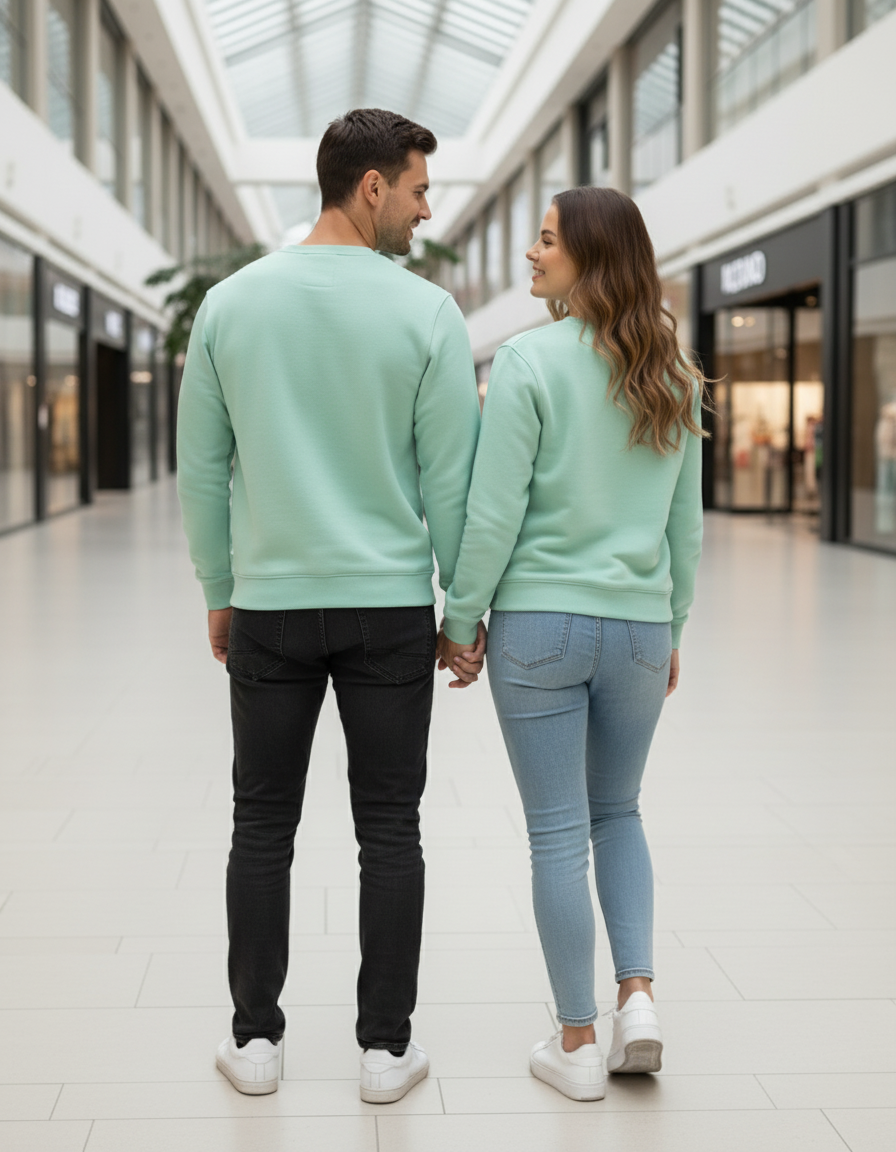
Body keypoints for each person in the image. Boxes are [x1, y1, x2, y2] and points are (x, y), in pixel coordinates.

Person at [177, 108, 485, 1105]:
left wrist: (220, 591)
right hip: (390, 607)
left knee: (261, 824)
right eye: (418, 188)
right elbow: (452, 486)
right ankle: (384, 1051)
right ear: (369, 188)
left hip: (269, 605)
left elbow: (202, 472)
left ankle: (254, 1042)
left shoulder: (230, 305)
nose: (424, 210)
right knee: (388, 825)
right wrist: (463, 610)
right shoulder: (425, 313)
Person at [437, 186, 706, 1101]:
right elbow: (686, 526)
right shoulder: (672, 368)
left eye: (546, 241)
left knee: (558, 831)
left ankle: (578, 1044)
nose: (531, 256)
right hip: (636, 629)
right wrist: (670, 629)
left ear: (589, 256)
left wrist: (462, 620)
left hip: (540, 628)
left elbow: (493, 512)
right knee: (618, 812)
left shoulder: (526, 362)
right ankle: (639, 999)